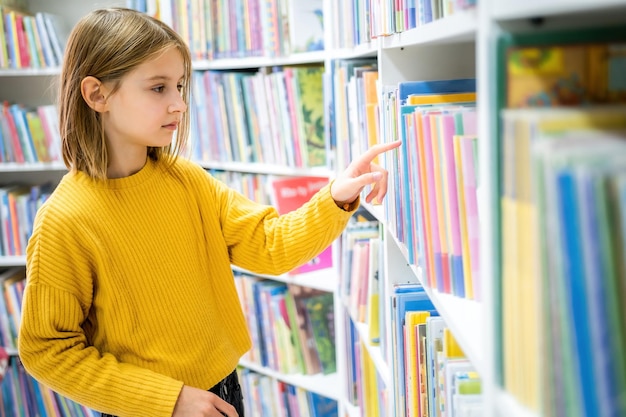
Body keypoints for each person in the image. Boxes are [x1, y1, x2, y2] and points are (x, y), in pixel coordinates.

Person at [17, 7, 401, 417]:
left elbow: (270, 245)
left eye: (180, 86)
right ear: (97, 95)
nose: (179, 104)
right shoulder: (65, 219)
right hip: (149, 407)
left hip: (223, 389)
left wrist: (337, 196)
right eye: (158, 88)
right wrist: (171, 400)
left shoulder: (186, 180)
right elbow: (47, 350)